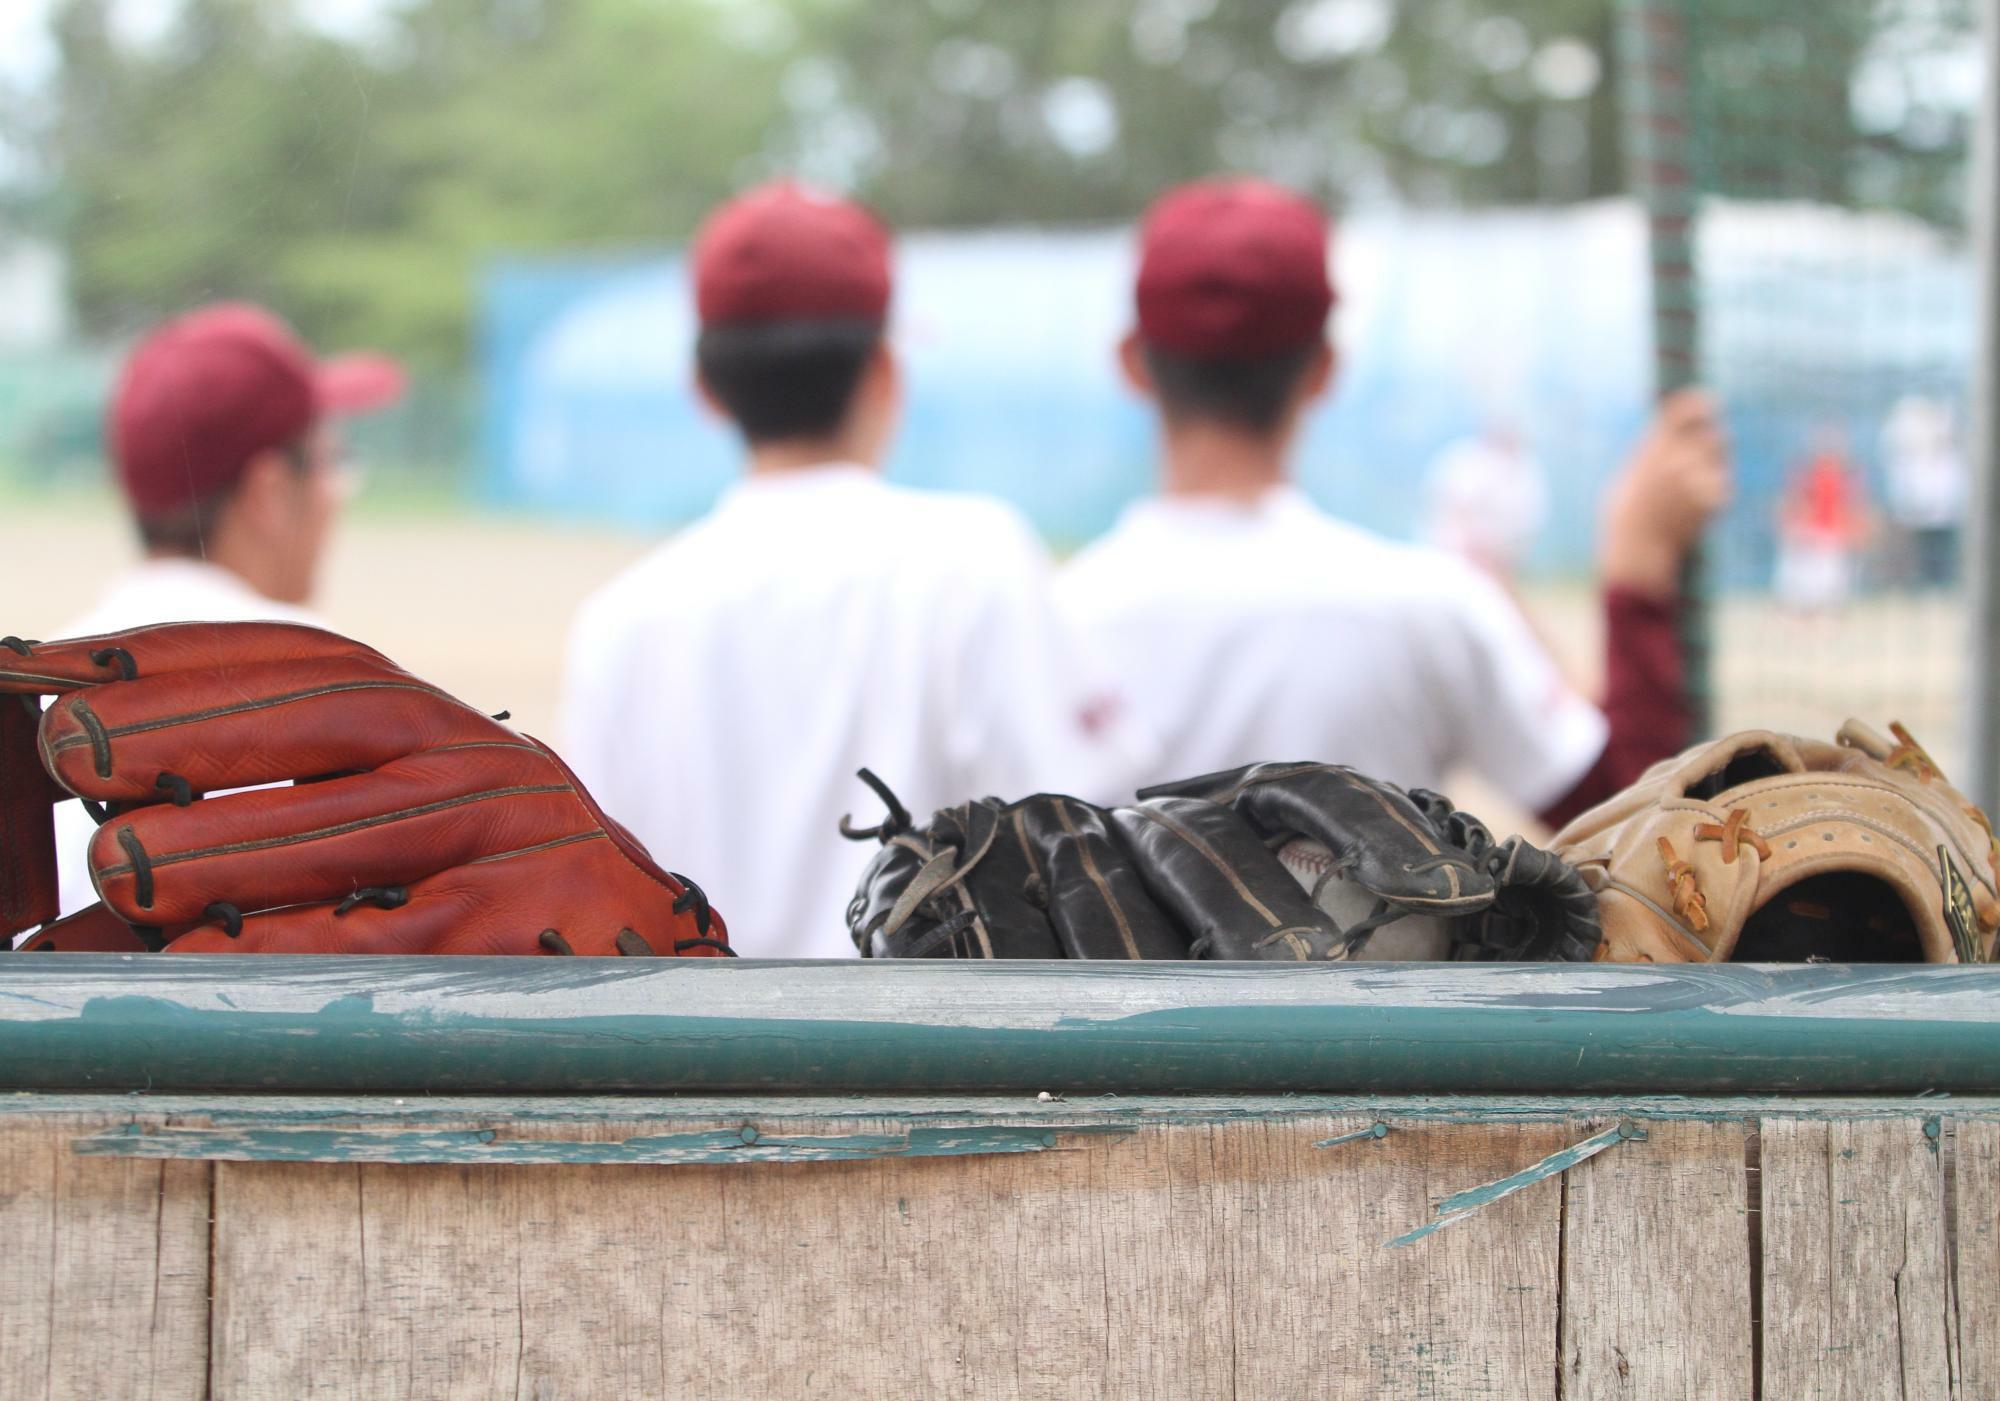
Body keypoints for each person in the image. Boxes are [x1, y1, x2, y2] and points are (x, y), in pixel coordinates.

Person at [559, 182, 1150, 957]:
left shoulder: (620, 620)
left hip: (700, 1059)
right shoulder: (976, 556)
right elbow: (1075, 828)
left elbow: (600, 898)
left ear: (704, 387)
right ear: (883, 370)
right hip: (931, 1060)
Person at [1056, 177, 1732, 832]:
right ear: (1325, 368)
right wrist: (1638, 565)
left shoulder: (1050, 623)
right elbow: (1632, 819)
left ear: (1132, 362)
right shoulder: (1430, 606)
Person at [45, 301, 406, 917]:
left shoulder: (41, 685)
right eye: (329, 462)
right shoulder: (340, 682)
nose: (335, 497)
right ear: (268, 492)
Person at [1421, 420, 1549, 584]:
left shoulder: (1526, 471)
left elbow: (1528, 522)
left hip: (1498, 554)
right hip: (1456, 549)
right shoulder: (1464, 460)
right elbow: (1449, 505)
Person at [1775, 426, 1869, 614]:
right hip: (1811, 535)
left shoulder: (1847, 475)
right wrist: (1793, 528)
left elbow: (1853, 507)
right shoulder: (1806, 473)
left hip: (1833, 536)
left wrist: (1855, 531)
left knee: (1833, 588)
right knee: (1804, 588)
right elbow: (1794, 502)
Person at [1880, 394, 1966, 591]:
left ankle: (1938, 586)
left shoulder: (1947, 457)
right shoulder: (1909, 452)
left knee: (1940, 554)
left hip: (1942, 512)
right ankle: (1916, 586)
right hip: (1914, 511)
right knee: (1915, 554)